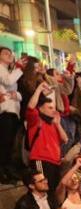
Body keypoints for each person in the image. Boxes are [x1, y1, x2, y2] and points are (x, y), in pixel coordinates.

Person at [25, 81, 68, 191]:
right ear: (40, 109)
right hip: (40, 160)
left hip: (55, 162)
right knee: (42, 189)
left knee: (52, 192)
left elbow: (65, 139)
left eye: (54, 108)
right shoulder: (36, 120)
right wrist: (39, 90)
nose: (53, 110)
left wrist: (58, 124)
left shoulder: (54, 123)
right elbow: (30, 106)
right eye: (50, 108)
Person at [0, 47, 26, 183]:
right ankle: (3, 171)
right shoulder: (1, 69)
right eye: (5, 53)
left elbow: (15, 90)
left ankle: (8, 170)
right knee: (4, 143)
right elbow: (8, 81)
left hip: (13, 110)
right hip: (4, 111)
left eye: (10, 54)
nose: (9, 55)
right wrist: (19, 67)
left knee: (10, 143)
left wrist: (17, 95)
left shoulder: (9, 71)